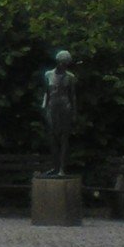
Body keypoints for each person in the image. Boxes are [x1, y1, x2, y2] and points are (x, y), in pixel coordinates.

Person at [42, 49, 78, 177]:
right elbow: (46, 93)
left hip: (65, 108)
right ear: (58, 62)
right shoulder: (48, 75)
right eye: (62, 62)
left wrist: (74, 113)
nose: (64, 65)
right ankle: (55, 166)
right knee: (52, 138)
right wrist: (45, 108)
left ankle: (62, 168)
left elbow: (72, 96)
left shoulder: (70, 77)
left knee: (64, 139)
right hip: (52, 109)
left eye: (66, 63)